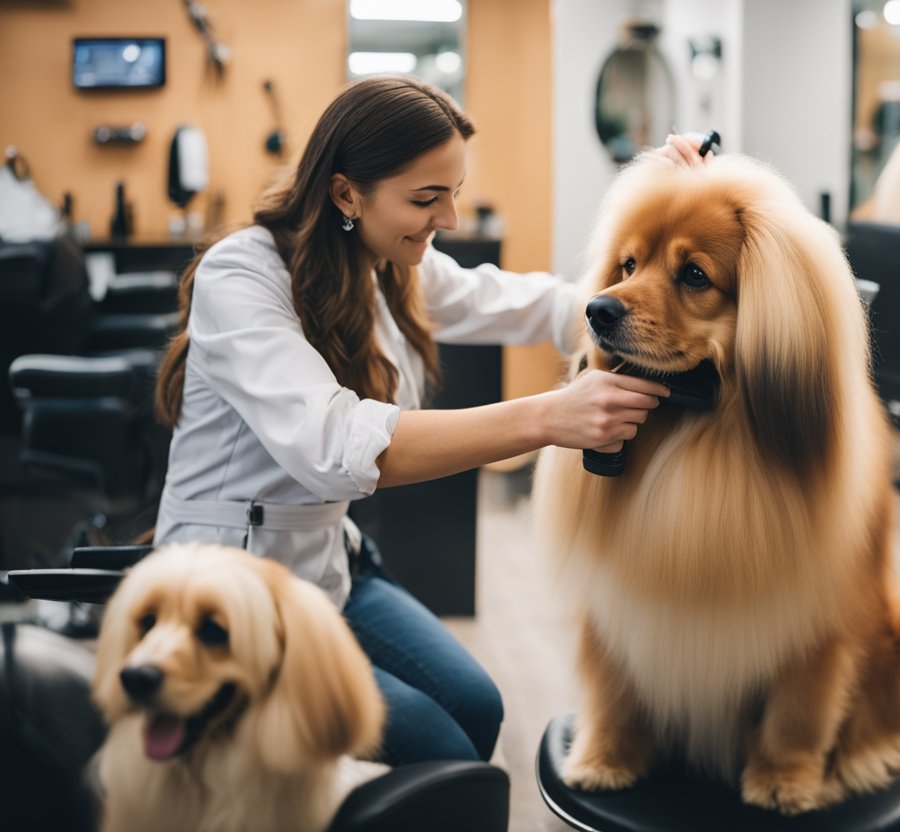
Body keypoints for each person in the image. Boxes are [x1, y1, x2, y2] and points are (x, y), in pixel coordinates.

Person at [151, 75, 708, 766]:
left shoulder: (385, 266)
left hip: (325, 570)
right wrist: (549, 417)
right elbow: (335, 445)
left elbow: (534, 304)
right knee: (437, 748)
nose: (447, 217)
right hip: (222, 600)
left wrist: (659, 241)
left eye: (453, 192)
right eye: (425, 198)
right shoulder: (242, 277)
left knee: (477, 708)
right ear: (346, 193)